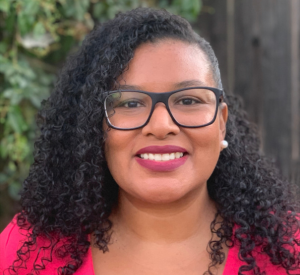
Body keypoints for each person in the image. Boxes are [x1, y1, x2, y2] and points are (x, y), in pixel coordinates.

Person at [0, 7, 299, 275]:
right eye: (130, 103)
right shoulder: (25, 252)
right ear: (96, 126)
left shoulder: (288, 251)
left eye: (188, 99)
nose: (161, 126)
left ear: (221, 123)